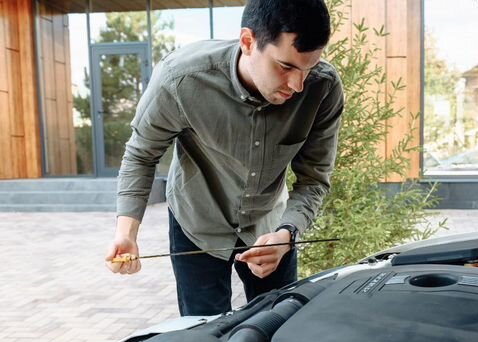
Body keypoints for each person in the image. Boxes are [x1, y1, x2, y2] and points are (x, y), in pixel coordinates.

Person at [104, 0, 343, 316]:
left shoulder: (323, 89)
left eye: (308, 68)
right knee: (203, 334)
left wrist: (286, 234)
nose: (297, 86)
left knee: (279, 328)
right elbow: (141, 154)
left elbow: (314, 179)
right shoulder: (180, 78)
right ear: (248, 42)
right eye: (285, 67)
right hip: (196, 223)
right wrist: (126, 233)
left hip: (269, 226)